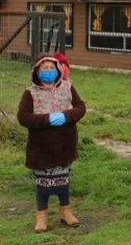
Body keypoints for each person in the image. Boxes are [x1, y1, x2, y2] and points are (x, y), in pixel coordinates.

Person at [17, 54, 86, 233]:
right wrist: (48, 119)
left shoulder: (68, 87)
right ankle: (42, 216)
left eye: (51, 68)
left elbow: (80, 108)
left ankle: (66, 212)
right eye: (44, 68)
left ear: (58, 70)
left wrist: (66, 116)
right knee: (43, 183)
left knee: (63, 180)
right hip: (42, 147)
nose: (48, 71)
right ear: (37, 72)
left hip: (64, 144)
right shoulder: (30, 93)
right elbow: (23, 117)